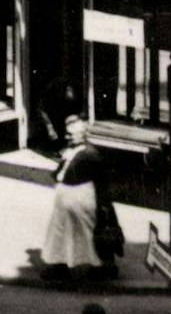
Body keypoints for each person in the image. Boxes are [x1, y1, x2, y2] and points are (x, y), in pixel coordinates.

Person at [39, 115, 117, 281]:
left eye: (71, 134)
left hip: (81, 199)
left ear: (82, 134)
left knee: (86, 233)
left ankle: (100, 266)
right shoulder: (70, 151)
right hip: (65, 200)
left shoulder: (90, 154)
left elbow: (101, 181)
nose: (67, 137)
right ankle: (59, 264)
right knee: (60, 233)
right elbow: (60, 173)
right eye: (66, 134)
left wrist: (104, 204)